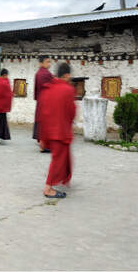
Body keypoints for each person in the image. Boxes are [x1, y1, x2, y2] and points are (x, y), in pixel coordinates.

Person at [39, 63, 76, 199]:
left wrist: (42, 136)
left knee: (63, 157)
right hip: (61, 130)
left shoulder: (47, 89)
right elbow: (71, 112)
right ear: (66, 75)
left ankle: (64, 179)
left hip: (48, 129)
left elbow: (42, 113)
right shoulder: (68, 89)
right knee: (58, 159)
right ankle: (48, 188)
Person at [34, 56, 54, 153]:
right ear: (41, 63)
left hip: (40, 101)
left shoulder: (38, 73)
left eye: (50, 62)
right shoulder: (46, 74)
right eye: (47, 62)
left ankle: (43, 145)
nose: (49, 64)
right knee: (46, 123)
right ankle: (44, 145)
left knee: (42, 123)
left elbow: (36, 90)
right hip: (47, 102)